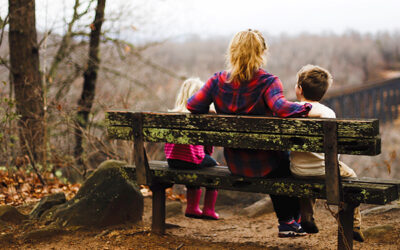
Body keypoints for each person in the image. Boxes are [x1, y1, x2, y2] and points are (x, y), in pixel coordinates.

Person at [187, 29, 311, 237]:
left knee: (281, 161)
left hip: (236, 163)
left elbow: (193, 105)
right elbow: (281, 108)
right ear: (261, 52)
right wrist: (306, 107)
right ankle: (289, 221)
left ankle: (291, 221)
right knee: (286, 162)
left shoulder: (217, 81)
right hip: (267, 164)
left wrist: (212, 111)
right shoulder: (268, 82)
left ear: (233, 52)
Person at [290, 64, 365, 242]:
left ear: (299, 89)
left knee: (307, 176)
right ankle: (354, 223)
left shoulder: (290, 110)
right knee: (351, 176)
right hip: (326, 171)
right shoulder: (328, 113)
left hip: (297, 171)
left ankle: (306, 216)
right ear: (323, 93)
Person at [165, 77, 220, 220]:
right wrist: (208, 155)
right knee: (214, 167)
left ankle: (192, 207)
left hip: (172, 160)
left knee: (194, 163)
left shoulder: (172, 115)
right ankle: (208, 209)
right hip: (192, 160)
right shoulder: (201, 116)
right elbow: (207, 146)